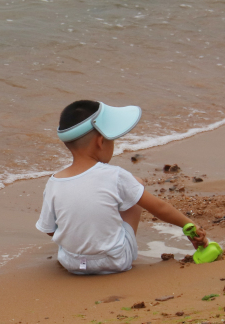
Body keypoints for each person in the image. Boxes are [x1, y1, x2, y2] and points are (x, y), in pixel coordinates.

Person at [36, 100, 208, 275]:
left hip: (72, 264)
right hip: (115, 261)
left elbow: (50, 230)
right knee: (136, 184)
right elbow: (159, 208)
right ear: (100, 141)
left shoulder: (54, 182)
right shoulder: (115, 175)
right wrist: (191, 226)